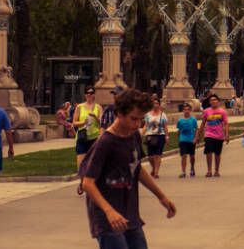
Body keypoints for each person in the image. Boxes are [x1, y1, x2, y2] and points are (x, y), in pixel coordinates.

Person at [81, 88, 176, 248]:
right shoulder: (106, 142)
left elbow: (136, 167)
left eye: (140, 120)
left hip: (130, 214)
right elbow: (87, 183)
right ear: (119, 114)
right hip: (107, 219)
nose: (137, 124)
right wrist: (109, 211)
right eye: (133, 119)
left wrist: (161, 196)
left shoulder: (134, 136)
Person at [197, 95, 229, 178]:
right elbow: (203, 123)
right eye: (211, 100)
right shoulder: (206, 111)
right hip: (209, 135)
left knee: (217, 154)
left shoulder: (222, 111)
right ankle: (209, 170)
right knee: (208, 152)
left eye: (215, 100)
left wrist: (227, 134)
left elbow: (226, 124)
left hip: (219, 136)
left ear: (218, 101)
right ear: (209, 102)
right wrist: (198, 135)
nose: (213, 101)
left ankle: (216, 170)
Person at [73, 88, 103, 174]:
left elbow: (102, 122)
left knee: (93, 165)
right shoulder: (79, 107)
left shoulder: (98, 107)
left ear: (94, 95)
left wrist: (95, 117)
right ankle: (82, 184)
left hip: (94, 138)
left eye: (91, 93)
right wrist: (83, 122)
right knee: (81, 166)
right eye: (87, 93)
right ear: (85, 95)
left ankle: (91, 183)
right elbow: (74, 123)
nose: (89, 95)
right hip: (82, 137)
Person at [141, 97, 168, 179]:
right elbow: (146, 125)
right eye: (154, 103)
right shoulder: (148, 115)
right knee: (150, 156)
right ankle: (153, 168)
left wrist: (167, 136)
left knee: (158, 155)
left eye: (157, 103)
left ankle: (156, 172)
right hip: (150, 136)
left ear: (159, 105)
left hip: (160, 135)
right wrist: (142, 134)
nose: (155, 105)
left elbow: (165, 126)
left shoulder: (163, 115)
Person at [175, 103, 198, 178]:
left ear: (190, 111)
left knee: (192, 156)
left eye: (188, 109)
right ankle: (183, 172)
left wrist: (195, 138)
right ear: (183, 111)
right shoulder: (180, 121)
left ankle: (192, 168)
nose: (186, 111)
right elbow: (179, 130)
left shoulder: (193, 120)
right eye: (185, 109)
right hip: (183, 140)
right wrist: (179, 139)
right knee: (184, 156)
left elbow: (196, 130)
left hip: (191, 140)